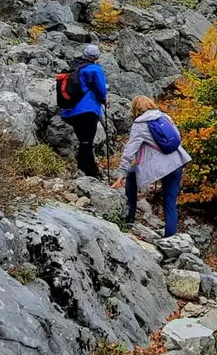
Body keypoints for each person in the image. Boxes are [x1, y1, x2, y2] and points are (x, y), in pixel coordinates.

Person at [111, 95, 191, 237]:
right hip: (177, 161)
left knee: (130, 175)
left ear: (135, 109)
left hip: (160, 166)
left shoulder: (140, 124)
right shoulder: (164, 117)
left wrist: (121, 173)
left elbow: (130, 150)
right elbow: (177, 136)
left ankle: (130, 217)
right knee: (170, 200)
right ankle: (170, 237)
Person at [58, 44, 109, 178]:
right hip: (88, 110)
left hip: (71, 111)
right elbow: (102, 89)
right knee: (87, 142)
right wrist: (104, 99)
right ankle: (88, 172)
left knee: (84, 141)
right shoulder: (94, 69)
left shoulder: (75, 67)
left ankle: (88, 169)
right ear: (96, 57)